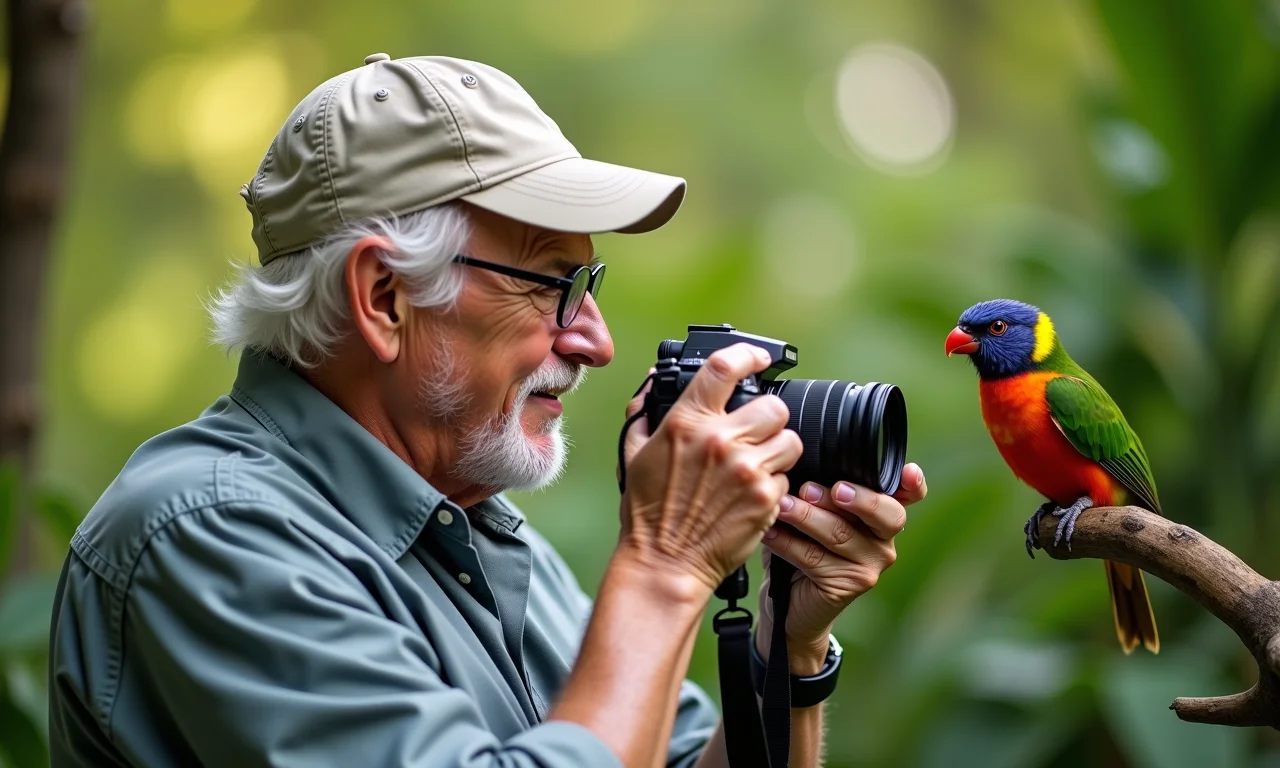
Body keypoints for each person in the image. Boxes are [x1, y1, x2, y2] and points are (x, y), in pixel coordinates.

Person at [47, 53, 926, 767]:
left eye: (593, 282)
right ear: (384, 296)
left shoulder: (490, 541)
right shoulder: (209, 536)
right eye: (555, 284)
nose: (596, 342)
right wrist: (665, 563)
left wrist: (787, 642)